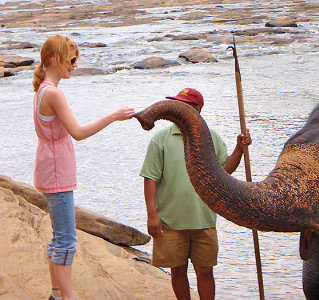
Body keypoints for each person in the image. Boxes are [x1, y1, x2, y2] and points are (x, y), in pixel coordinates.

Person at [32, 35, 135, 300]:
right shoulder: (53, 93)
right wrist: (113, 116)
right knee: (66, 239)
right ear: (54, 60)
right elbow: (77, 132)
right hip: (57, 173)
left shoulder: (43, 89)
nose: (75, 64)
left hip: (50, 169)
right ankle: (67, 296)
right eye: (72, 59)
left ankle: (56, 294)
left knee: (58, 237)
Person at [140, 88, 252, 300]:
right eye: (178, 104)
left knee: (205, 271)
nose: (178, 109)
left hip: (204, 220)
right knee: (178, 271)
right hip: (170, 222)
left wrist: (239, 148)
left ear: (197, 109)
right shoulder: (161, 139)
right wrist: (152, 215)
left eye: (184, 105)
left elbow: (224, 171)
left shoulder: (211, 138)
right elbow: (150, 178)